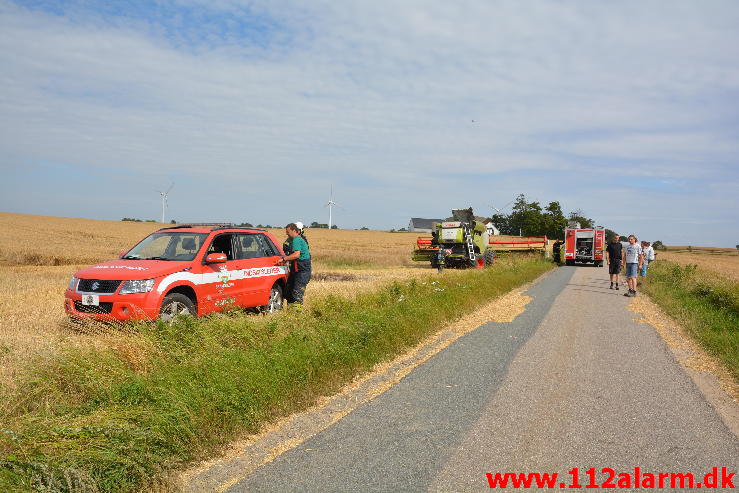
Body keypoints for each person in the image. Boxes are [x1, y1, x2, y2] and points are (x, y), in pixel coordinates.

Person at [282, 222, 311, 304]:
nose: (286, 234)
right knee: (289, 293)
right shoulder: (294, 240)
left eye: (288, 232)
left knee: (297, 294)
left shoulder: (297, 240)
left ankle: (297, 314)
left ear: (294, 230)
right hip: (296, 270)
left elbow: (296, 255)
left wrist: (284, 259)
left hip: (302, 271)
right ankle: (291, 313)